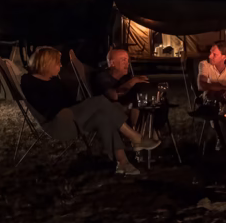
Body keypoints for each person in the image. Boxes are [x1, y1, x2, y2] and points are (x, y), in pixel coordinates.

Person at [20, 46, 156, 176]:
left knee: (104, 116)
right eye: (58, 63)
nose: (61, 66)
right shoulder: (29, 82)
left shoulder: (54, 80)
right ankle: (135, 138)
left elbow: (71, 100)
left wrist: (81, 105)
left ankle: (123, 162)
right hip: (58, 123)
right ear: (47, 64)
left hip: (72, 118)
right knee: (100, 101)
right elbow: (49, 109)